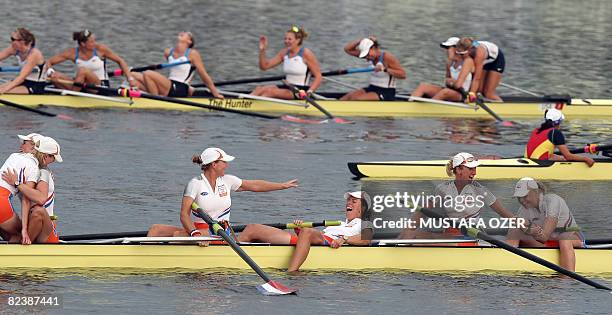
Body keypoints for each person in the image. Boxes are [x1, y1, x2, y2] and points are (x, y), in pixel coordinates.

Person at [147, 147, 298, 237]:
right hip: (199, 231)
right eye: (224, 162)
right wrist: (195, 233)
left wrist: (282, 186)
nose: (226, 165)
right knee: (156, 229)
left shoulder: (227, 181)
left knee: (178, 235)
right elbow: (183, 215)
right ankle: (144, 256)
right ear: (214, 164)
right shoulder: (195, 184)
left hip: (222, 231)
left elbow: (255, 185)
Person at [239, 191, 370, 272]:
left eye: (354, 201)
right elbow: (306, 240)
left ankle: (292, 272)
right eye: (348, 200)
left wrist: (344, 239)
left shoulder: (366, 223)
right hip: (317, 239)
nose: (349, 203)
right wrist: (299, 230)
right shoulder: (340, 223)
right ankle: (227, 249)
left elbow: (366, 239)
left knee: (307, 232)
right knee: (252, 228)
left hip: (327, 243)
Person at [400, 152, 514, 239]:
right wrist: (408, 230)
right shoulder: (443, 189)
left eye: (475, 168)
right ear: (459, 170)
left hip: (472, 235)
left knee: (414, 235)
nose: (474, 173)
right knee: (410, 233)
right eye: (470, 169)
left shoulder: (480, 190)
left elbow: (504, 213)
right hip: (452, 233)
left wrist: (525, 227)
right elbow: (422, 212)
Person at [506, 177, 583, 271]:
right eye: (519, 197)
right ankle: (506, 263)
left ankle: (568, 279)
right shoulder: (524, 208)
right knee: (514, 231)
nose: (522, 200)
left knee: (564, 238)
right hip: (545, 241)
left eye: (525, 196)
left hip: (572, 238)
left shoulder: (553, 201)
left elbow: (544, 236)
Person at [2, 136, 63, 244]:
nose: (53, 162)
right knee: (14, 231)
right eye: (53, 158)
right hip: (34, 223)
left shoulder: (43, 172)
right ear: (46, 156)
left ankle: (19, 245)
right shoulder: (35, 170)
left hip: (44, 227)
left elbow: (39, 199)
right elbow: (29, 199)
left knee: (38, 211)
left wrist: (17, 183)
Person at [45, 29, 136, 93]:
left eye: (94, 40)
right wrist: (49, 70)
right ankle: (74, 93)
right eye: (91, 42)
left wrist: (130, 79)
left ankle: (72, 95)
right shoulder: (72, 52)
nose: (94, 43)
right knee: (54, 76)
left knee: (82, 70)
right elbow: (49, 62)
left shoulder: (100, 49)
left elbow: (120, 61)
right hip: (81, 85)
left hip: (99, 86)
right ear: (83, 44)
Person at [138, 31, 223, 98]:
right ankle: (152, 95)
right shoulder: (168, 52)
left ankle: (155, 100)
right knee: (134, 75)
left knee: (147, 73)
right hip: (170, 84)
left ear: (189, 41)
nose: (182, 32)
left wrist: (215, 93)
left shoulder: (192, 54)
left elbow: (203, 75)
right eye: (182, 32)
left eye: (186, 34)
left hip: (180, 88)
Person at [250, 25, 322, 100]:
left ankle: (254, 104)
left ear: (298, 40)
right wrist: (262, 50)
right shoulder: (284, 53)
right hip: (287, 87)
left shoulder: (306, 53)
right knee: (260, 89)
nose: (286, 41)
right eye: (285, 39)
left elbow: (318, 77)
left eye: (289, 39)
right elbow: (264, 66)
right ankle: (243, 101)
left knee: (270, 92)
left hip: (301, 92)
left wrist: (310, 92)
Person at [0, 138, 42, 243]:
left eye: (24, 143)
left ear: (33, 148)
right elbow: (26, 199)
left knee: (6, 232)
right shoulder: (34, 168)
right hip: (1, 202)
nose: (20, 146)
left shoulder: (13, 156)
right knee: (21, 234)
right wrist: (24, 230)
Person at [340, 37, 406, 101]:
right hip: (372, 88)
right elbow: (347, 49)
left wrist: (385, 69)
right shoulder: (369, 56)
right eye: (365, 55)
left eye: (367, 54)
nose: (367, 58)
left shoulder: (387, 57)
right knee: (346, 98)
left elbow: (403, 75)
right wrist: (362, 40)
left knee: (357, 99)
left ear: (373, 48)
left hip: (386, 92)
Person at [525, 108, 595, 167]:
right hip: (541, 164)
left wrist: (562, 159)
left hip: (529, 160)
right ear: (559, 121)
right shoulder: (555, 132)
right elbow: (568, 156)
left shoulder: (536, 130)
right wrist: (586, 159)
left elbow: (544, 153)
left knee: (562, 158)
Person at [455, 37, 505, 102]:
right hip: (484, 60)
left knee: (488, 94)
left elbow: (476, 78)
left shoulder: (479, 54)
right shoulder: (466, 46)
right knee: (479, 90)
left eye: (462, 54)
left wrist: (471, 96)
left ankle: (501, 104)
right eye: (458, 53)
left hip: (497, 61)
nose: (460, 56)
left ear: (469, 50)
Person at [0, 28, 46, 94]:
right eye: (11, 39)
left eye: (13, 39)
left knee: (4, 90)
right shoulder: (14, 49)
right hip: (23, 82)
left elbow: (21, 77)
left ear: (23, 41)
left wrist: (3, 90)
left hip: (35, 85)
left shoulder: (34, 54)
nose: (12, 42)